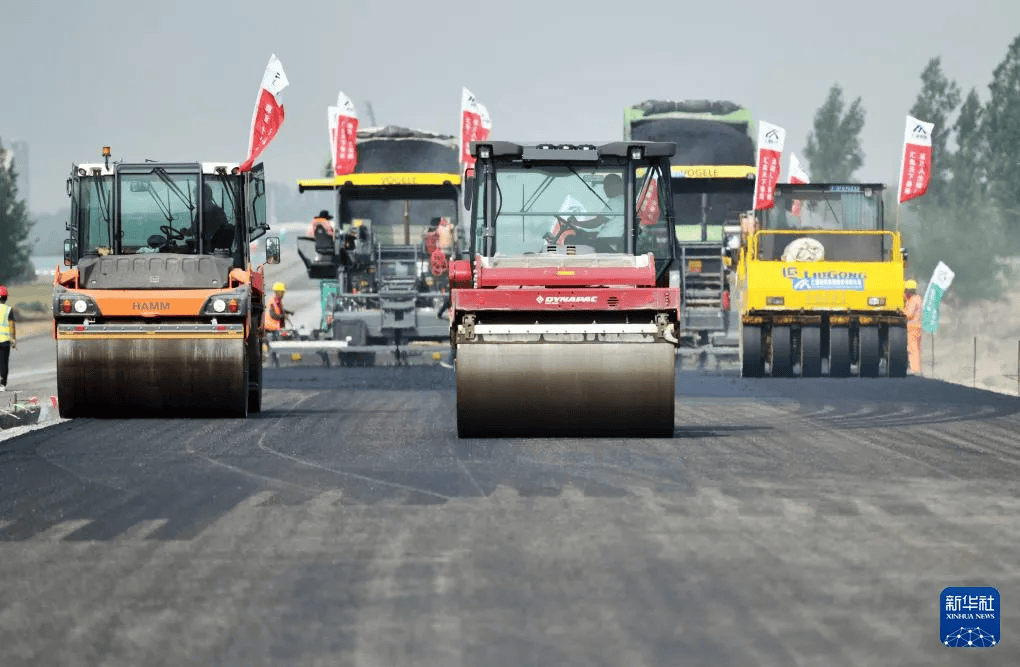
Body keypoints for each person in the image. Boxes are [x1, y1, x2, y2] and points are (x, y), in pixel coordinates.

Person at [903, 279, 923, 374]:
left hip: (912, 327)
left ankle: (914, 369)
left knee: (912, 349)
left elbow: (909, 314)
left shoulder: (913, 300)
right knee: (917, 349)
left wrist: (902, 312)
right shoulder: (918, 298)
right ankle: (917, 368)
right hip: (918, 326)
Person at [0, 285, 16, 391]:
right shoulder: (8, 310)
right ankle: (2, 384)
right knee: (4, 362)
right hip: (5, 341)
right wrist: (13, 339)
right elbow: (11, 325)